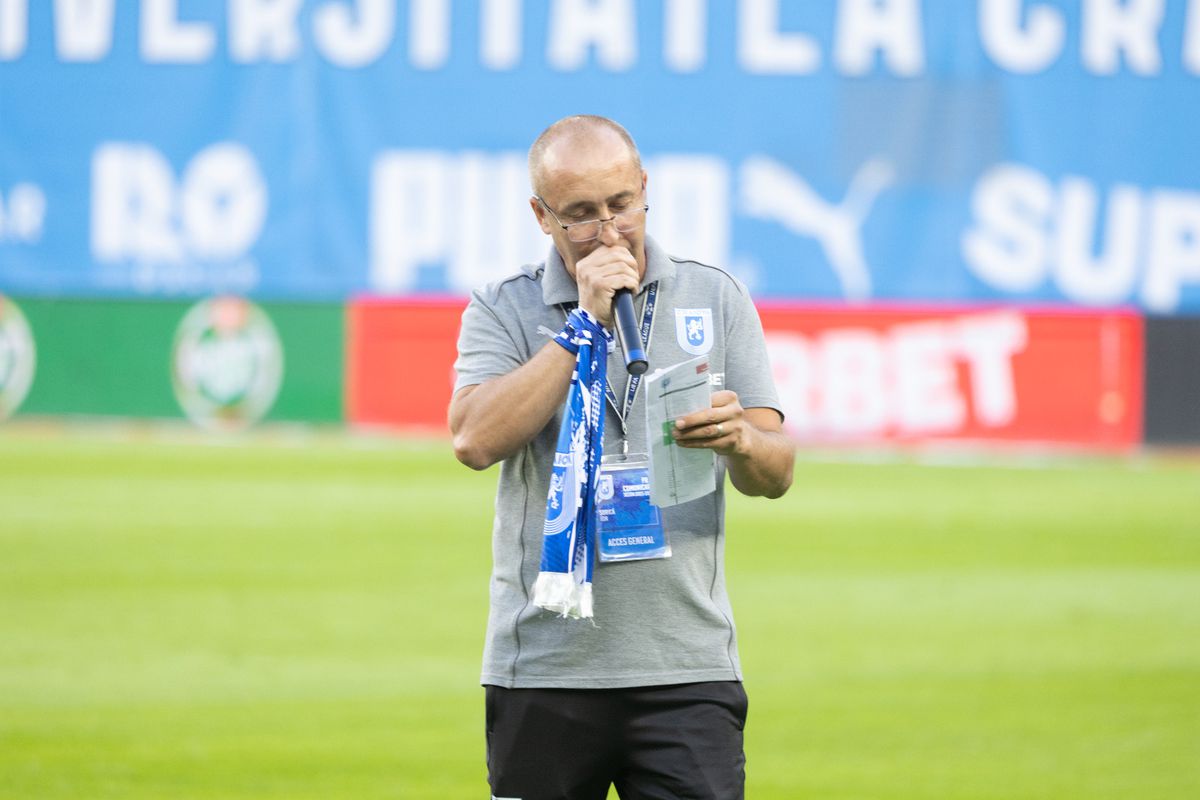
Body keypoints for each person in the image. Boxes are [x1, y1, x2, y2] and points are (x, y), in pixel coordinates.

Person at [449, 114, 794, 800]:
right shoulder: (504, 305)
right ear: (541, 216)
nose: (608, 232)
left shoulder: (714, 295)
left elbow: (776, 472)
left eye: (621, 205)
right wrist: (582, 326)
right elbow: (473, 440)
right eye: (581, 214)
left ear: (644, 189)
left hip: (687, 668)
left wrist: (743, 441)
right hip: (543, 666)